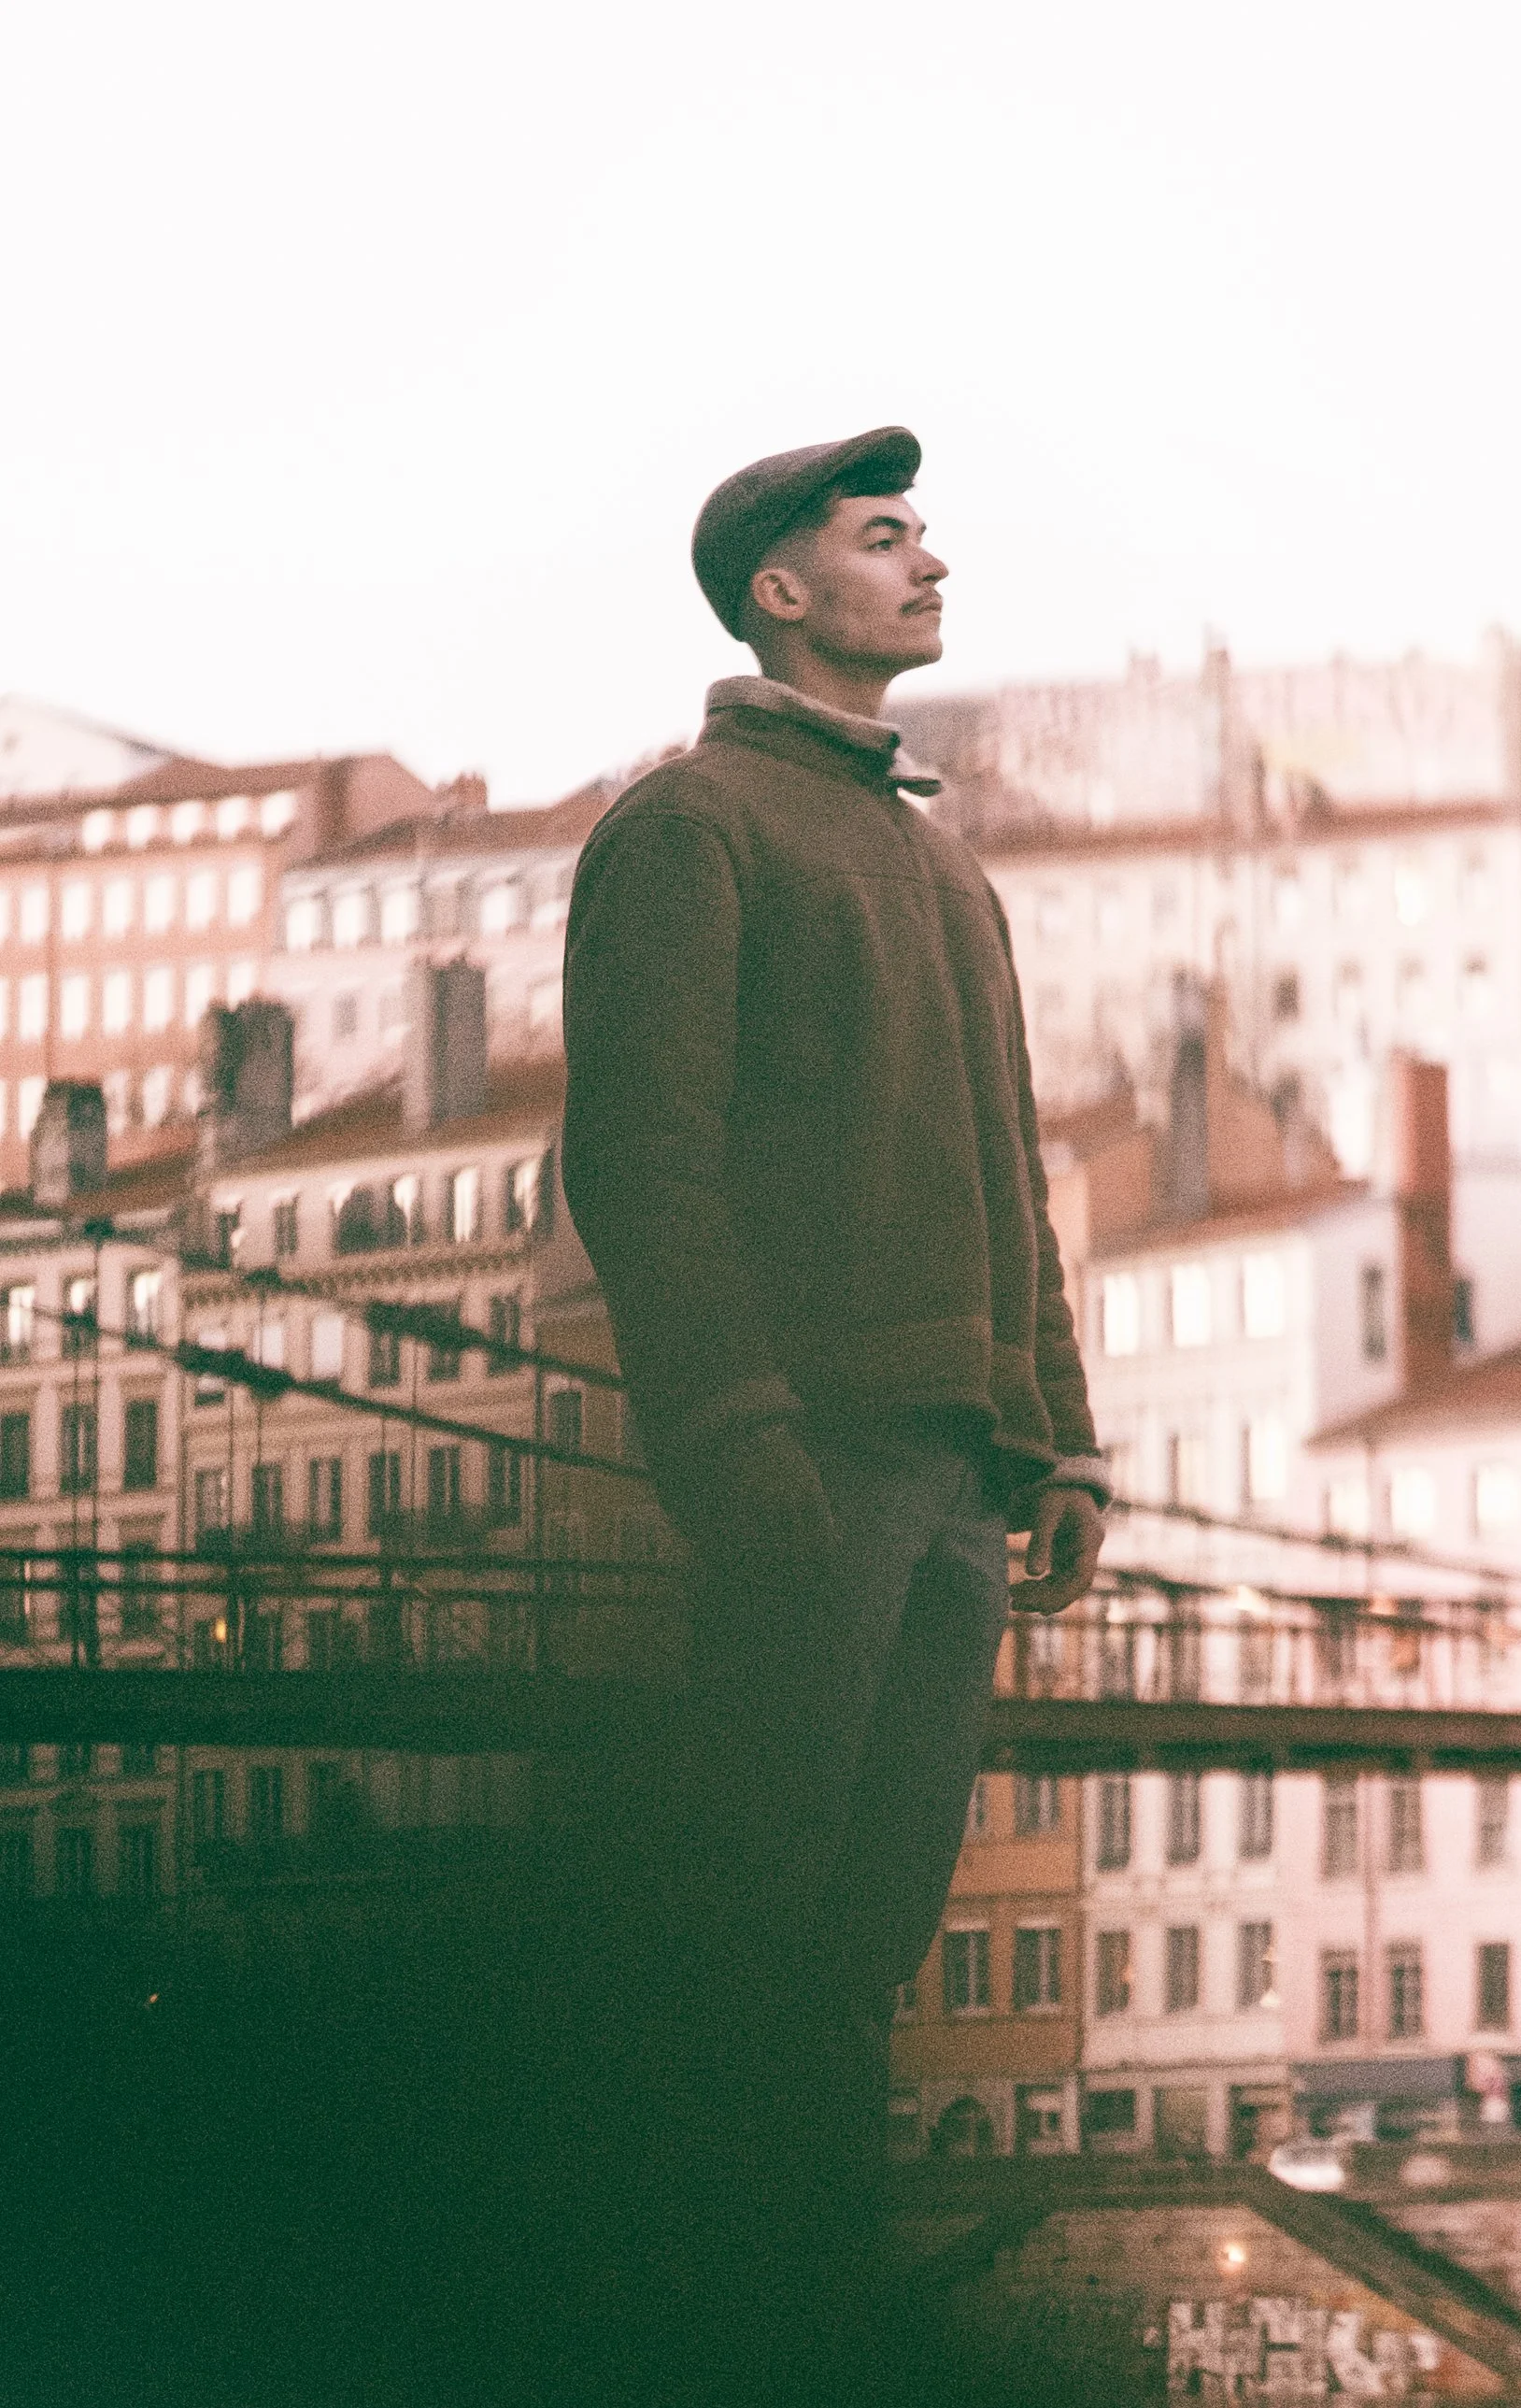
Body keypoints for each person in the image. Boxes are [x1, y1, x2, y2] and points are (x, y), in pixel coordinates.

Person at [559, 425, 1107, 2295]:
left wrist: (1060, 1443)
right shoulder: (687, 826)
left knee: (870, 1922)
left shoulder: (942, 873)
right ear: (781, 593)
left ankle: (797, 2322)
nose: (929, 563)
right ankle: (691, 2332)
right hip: (811, 1450)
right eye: (888, 541)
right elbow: (638, 1154)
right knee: (754, 1894)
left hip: (953, 1470)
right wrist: (730, 1426)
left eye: (924, 538)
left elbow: (1007, 1175)